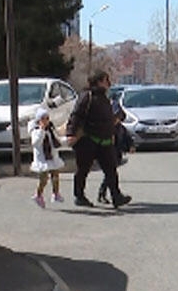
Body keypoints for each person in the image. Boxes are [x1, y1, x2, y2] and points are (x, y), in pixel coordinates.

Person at [65, 70, 132, 209]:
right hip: (88, 140)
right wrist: (71, 133)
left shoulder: (105, 98)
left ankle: (116, 196)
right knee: (83, 169)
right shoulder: (87, 96)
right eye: (106, 80)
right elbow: (76, 115)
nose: (109, 83)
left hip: (105, 141)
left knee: (111, 169)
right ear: (99, 81)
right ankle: (79, 196)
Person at [97, 105, 134, 204]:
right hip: (106, 153)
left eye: (118, 118)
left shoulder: (120, 128)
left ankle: (106, 194)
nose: (116, 120)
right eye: (115, 118)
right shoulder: (105, 127)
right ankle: (106, 194)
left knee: (110, 174)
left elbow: (127, 137)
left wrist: (130, 146)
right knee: (110, 174)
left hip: (116, 153)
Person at [29, 107, 65, 208]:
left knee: (55, 175)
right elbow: (36, 143)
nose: (46, 121)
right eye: (43, 119)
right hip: (42, 159)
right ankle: (38, 195)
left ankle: (56, 193)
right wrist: (41, 130)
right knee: (44, 179)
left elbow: (55, 140)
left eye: (47, 118)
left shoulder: (50, 130)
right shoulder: (36, 131)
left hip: (52, 157)